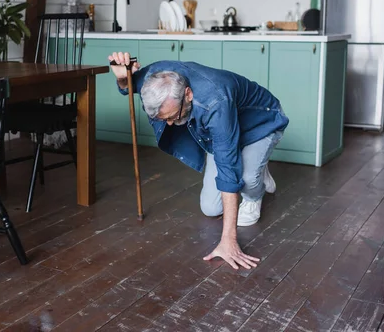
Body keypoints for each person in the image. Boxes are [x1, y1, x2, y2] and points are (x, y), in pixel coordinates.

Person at [108, 52, 289, 271]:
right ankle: (255, 166)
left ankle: (256, 180)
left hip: (261, 123)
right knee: (211, 208)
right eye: (164, 120)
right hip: (223, 131)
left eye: (174, 116)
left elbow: (227, 168)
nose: (172, 124)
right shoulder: (153, 77)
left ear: (188, 93)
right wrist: (121, 77)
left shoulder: (215, 101)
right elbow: (128, 86)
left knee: (246, 178)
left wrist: (228, 241)